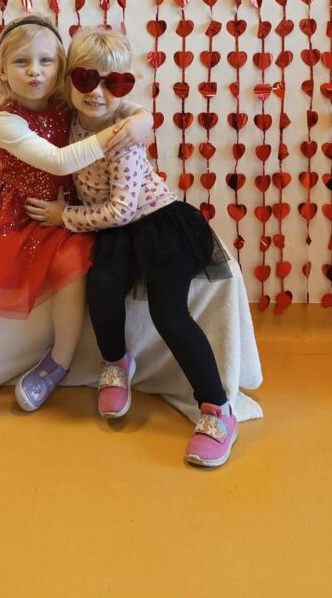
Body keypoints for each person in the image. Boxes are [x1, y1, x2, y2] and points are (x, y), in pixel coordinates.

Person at [0, 16, 150, 440]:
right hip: (13, 212)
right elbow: (58, 162)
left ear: (62, 68)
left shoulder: (69, 100)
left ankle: (58, 363)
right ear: (1, 71)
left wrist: (142, 117)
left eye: (46, 61)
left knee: (72, 271)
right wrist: (121, 130)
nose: (35, 71)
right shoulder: (4, 121)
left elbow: (118, 103)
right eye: (21, 62)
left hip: (61, 211)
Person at [25, 27, 237, 469]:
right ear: (69, 81)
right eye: (85, 79)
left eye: (114, 83)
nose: (97, 92)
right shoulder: (70, 117)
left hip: (156, 225)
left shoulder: (123, 136)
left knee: (168, 313)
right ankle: (116, 362)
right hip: (113, 232)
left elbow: (122, 209)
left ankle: (217, 409)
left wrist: (64, 215)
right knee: (101, 287)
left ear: (126, 88)